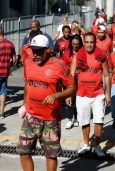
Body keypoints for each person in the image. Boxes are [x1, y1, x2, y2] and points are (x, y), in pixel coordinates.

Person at [16, 35, 75, 171]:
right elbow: (27, 83)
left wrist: (57, 95)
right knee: (23, 151)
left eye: (39, 51)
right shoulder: (28, 62)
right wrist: (25, 104)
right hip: (30, 116)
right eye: (33, 50)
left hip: (50, 119)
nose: (35, 54)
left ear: (47, 50)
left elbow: (72, 87)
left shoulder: (59, 65)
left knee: (51, 155)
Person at [70, 32, 111, 157]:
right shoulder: (78, 56)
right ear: (84, 41)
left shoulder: (101, 56)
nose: (89, 45)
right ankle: (86, 144)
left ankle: (97, 146)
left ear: (95, 42)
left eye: (91, 42)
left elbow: (107, 75)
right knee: (84, 121)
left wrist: (108, 94)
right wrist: (68, 94)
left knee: (99, 121)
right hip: (82, 95)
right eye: (86, 42)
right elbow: (71, 76)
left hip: (98, 94)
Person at [63, 35, 84, 129]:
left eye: (77, 44)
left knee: (77, 99)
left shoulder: (83, 53)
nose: (75, 46)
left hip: (80, 79)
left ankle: (76, 118)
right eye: (73, 44)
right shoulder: (67, 53)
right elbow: (63, 67)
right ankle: (70, 118)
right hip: (69, 79)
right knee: (70, 98)